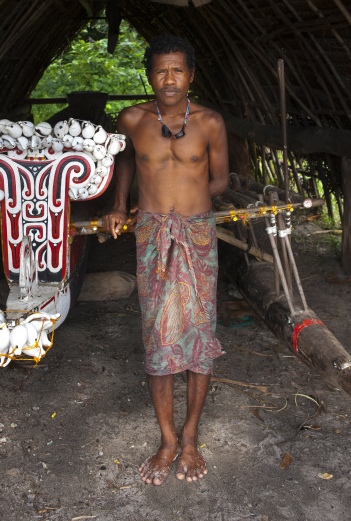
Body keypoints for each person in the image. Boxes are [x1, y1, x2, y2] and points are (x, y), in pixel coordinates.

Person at [103, 34, 229, 486]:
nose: (169, 79)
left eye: (178, 70)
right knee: (160, 336)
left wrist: (186, 202)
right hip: (153, 236)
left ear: (191, 75)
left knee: (198, 333)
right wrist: (121, 205)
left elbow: (218, 179)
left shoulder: (210, 122)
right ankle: (167, 440)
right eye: (160, 70)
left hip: (196, 236)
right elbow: (125, 165)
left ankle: (191, 437)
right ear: (149, 75)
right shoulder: (132, 119)